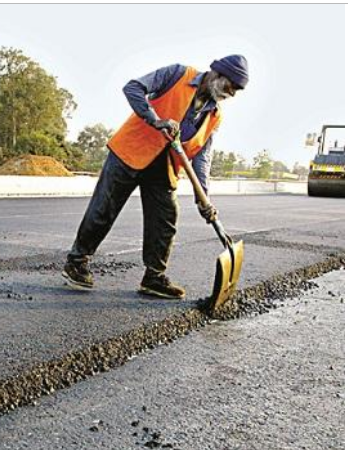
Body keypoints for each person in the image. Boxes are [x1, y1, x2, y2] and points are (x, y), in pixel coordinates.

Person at [63, 55, 249, 299]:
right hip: (132, 150)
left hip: (164, 165)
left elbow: (202, 157)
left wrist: (203, 197)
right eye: (231, 86)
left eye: (236, 90)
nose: (231, 93)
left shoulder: (214, 115)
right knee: (104, 209)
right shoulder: (178, 74)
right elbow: (133, 87)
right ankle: (77, 262)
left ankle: (154, 277)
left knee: (165, 218)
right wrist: (155, 119)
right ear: (217, 74)